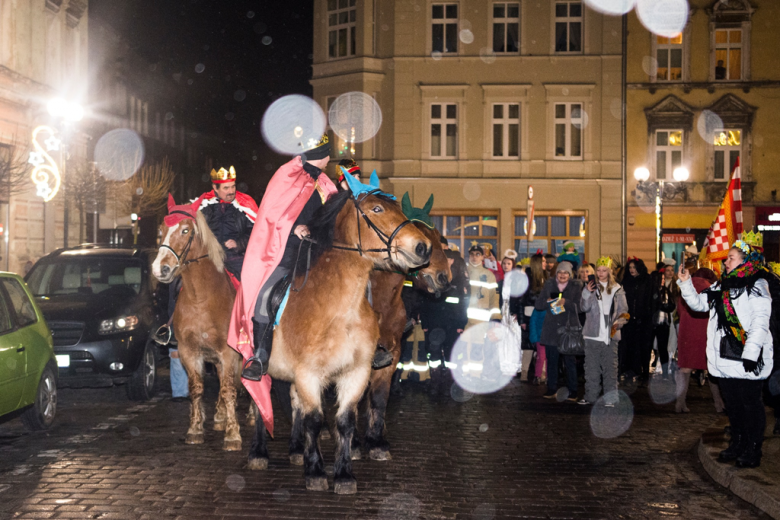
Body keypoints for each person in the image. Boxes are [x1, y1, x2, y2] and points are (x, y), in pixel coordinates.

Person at [236, 134, 338, 381]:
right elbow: (271, 213)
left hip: (320, 254)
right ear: (322, 156)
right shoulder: (287, 177)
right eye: (327, 154)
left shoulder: (326, 184)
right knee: (264, 297)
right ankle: (260, 356)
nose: (329, 158)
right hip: (290, 253)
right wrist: (295, 228)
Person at [678, 240, 774, 468]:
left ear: (745, 261)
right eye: (727, 257)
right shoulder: (722, 285)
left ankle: (753, 449)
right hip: (725, 358)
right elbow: (700, 304)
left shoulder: (757, 285)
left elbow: (760, 322)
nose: (726, 261)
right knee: (733, 405)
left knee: (750, 405)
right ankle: (738, 443)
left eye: (731, 257)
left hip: (747, 358)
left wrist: (751, 353)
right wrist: (685, 284)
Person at [579, 257, 628, 406]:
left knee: (610, 369)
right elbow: (583, 307)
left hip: (610, 336)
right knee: (591, 368)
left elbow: (624, 312)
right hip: (592, 335)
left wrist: (617, 324)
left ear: (609, 271)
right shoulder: (590, 287)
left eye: (604, 270)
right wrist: (587, 292)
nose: (600, 273)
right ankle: (591, 395)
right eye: (598, 270)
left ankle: (611, 398)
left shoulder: (617, 289)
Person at [196, 166, 258, 282]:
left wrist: (238, 243)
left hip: (235, 257)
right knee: (178, 282)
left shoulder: (244, 205)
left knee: (252, 283)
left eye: (233, 186)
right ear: (215, 187)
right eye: (226, 188)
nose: (231, 191)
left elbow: (257, 233)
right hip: (208, 257)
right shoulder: (203, 207)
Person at [421, 248, 470, 394]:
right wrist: (425, 323)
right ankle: (435, 383)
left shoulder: (459, 280)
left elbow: (463, 304)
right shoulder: (433, 277)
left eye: (447, 258)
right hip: (435, 323)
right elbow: (426, 302)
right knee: (434, 354)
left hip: (452, 324)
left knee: (450, 355)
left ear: (452, 260)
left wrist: (461, 324)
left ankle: (449, 384)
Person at [675, 257, 718, 413]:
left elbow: (680, 309)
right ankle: (719, 405)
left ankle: (680, 403)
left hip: (687, 331)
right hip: (706, 332)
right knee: (712, 369)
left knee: (685, 368)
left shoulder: (687, 286)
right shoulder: (710, 287)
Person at [535, 261, 583, 401]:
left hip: (568, 329)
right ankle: (551, 388)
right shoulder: (549, 285)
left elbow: (580, 307)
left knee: (569, 361)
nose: (562, 275)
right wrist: (548, 301)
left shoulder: (576, 287)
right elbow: (538, 305)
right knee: (552, 361)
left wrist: (566, 302)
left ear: (570, 274)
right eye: (560, 272)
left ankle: (573, 390)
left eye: (565, 273)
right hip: (552, 329)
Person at [620, 257, 654, 382]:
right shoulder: (626, 281)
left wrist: (647, 315)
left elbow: (650, 300)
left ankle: (644, 372)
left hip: (644, 320)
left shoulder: (647, 280)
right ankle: (630, 370)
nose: (632, 270)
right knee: (629, 346)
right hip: (629, 320)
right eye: (630, 267)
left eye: (634, 267)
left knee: (644, 347)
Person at [651, 257, 678, 379]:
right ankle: (659, 361)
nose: (670, 272)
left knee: (669, 341)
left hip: (670, 317)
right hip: (658, 319)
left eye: (672, 270)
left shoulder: (676, 285)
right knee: (658, 343)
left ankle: (668, 364)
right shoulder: (656, 287)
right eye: (668, 270)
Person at [524, 253, 548, 385]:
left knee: (542, 349)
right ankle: (528, 372)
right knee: (532, 346)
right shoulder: (529, 279)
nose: (545, 263)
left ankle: (542, 373)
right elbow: (524, 299)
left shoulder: (547, 278)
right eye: (543, 261)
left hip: (544, 316)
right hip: (532, 315)